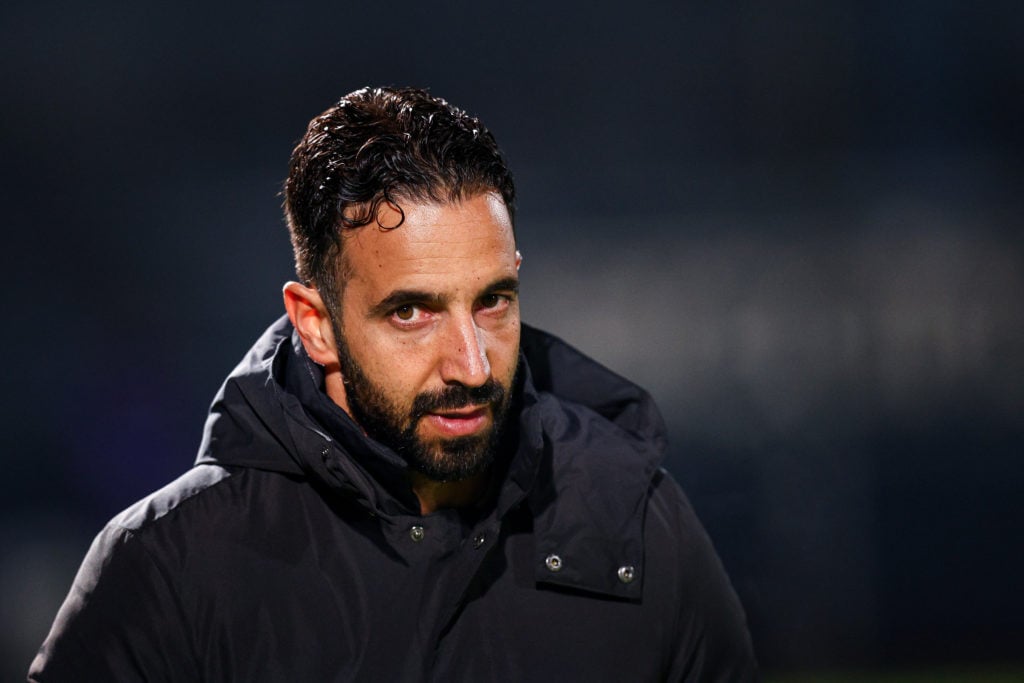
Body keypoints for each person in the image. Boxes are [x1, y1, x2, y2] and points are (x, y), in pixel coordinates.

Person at [29, 87, 757, 681]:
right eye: (412, 311)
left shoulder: (639, 526)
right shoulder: (171, 568)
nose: (472, 366)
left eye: (492, 301)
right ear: (314, 323)